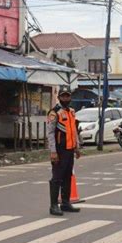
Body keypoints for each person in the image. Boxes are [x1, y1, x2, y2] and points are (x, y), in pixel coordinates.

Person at [47, 86, 81, 216]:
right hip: (59, 150)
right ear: (59, 97)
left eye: (68, 96)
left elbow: (74, 131)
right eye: (63, 96)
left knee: (67, 176)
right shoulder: (54, 112)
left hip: (70, 150)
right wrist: (53, 151)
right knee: (57, 178)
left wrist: (77, 147)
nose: (66, 98)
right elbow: (50, 133)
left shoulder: (72, 111)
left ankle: (65, 203)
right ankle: (54, 205)